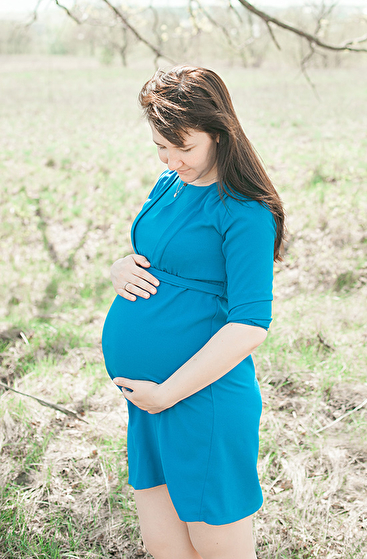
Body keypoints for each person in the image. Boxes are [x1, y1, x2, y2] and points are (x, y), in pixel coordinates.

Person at [101, 65, 285, 559]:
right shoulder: (171, 184)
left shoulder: (245, 212)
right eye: (161, 147)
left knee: (217, 548)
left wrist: (165, 394)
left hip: (200, 400)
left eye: (183, 147)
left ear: (219, 133)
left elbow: (250, 326)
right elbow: (158, 257)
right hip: (148, 401)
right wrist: (121, 267)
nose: (171, 159)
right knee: (165, 547)